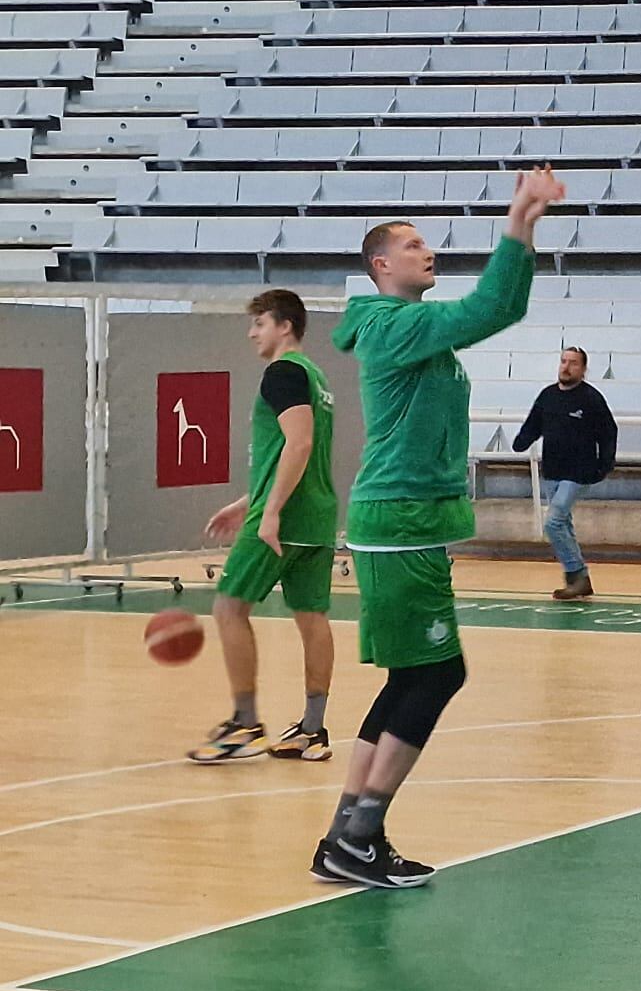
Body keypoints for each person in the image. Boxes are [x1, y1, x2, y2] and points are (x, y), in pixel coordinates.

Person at [314, 168, 566, 890]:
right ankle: (359, 834)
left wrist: (527, 227)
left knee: (413, 677)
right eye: (412, 245)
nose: (428, 252)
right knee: (438, 674)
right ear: (380, 265)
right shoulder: (393, 327)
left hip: (406, 522)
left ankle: (346, 838)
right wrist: (517, 218)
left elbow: (501, 305)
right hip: (400, 521)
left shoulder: (406, 329)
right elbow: (489, 307)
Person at [189, 289, 339, 765]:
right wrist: (248, 501)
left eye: (259, 323)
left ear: (285, 326)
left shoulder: (283, 372)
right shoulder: (315, 375)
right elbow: (292, 454)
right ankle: (312, 731)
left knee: (228, 607)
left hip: (285, 517)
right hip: (316, 516)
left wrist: (269, 511)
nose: (252, 333)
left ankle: (245, 724)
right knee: (312, 617)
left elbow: (299, 444)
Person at [511, 345, 617, 601]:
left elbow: (608, 432)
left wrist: (604, 465)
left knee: (553, 522)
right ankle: (579, 581)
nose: (566, 367)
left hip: (579, 472)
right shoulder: (548, 396)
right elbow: (534, 424)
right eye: (563, 361)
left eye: (573, 363)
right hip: (552, 470)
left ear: (583, 369)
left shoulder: (591, 398)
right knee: (564, 522)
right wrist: (521, 441)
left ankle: (576, 573)